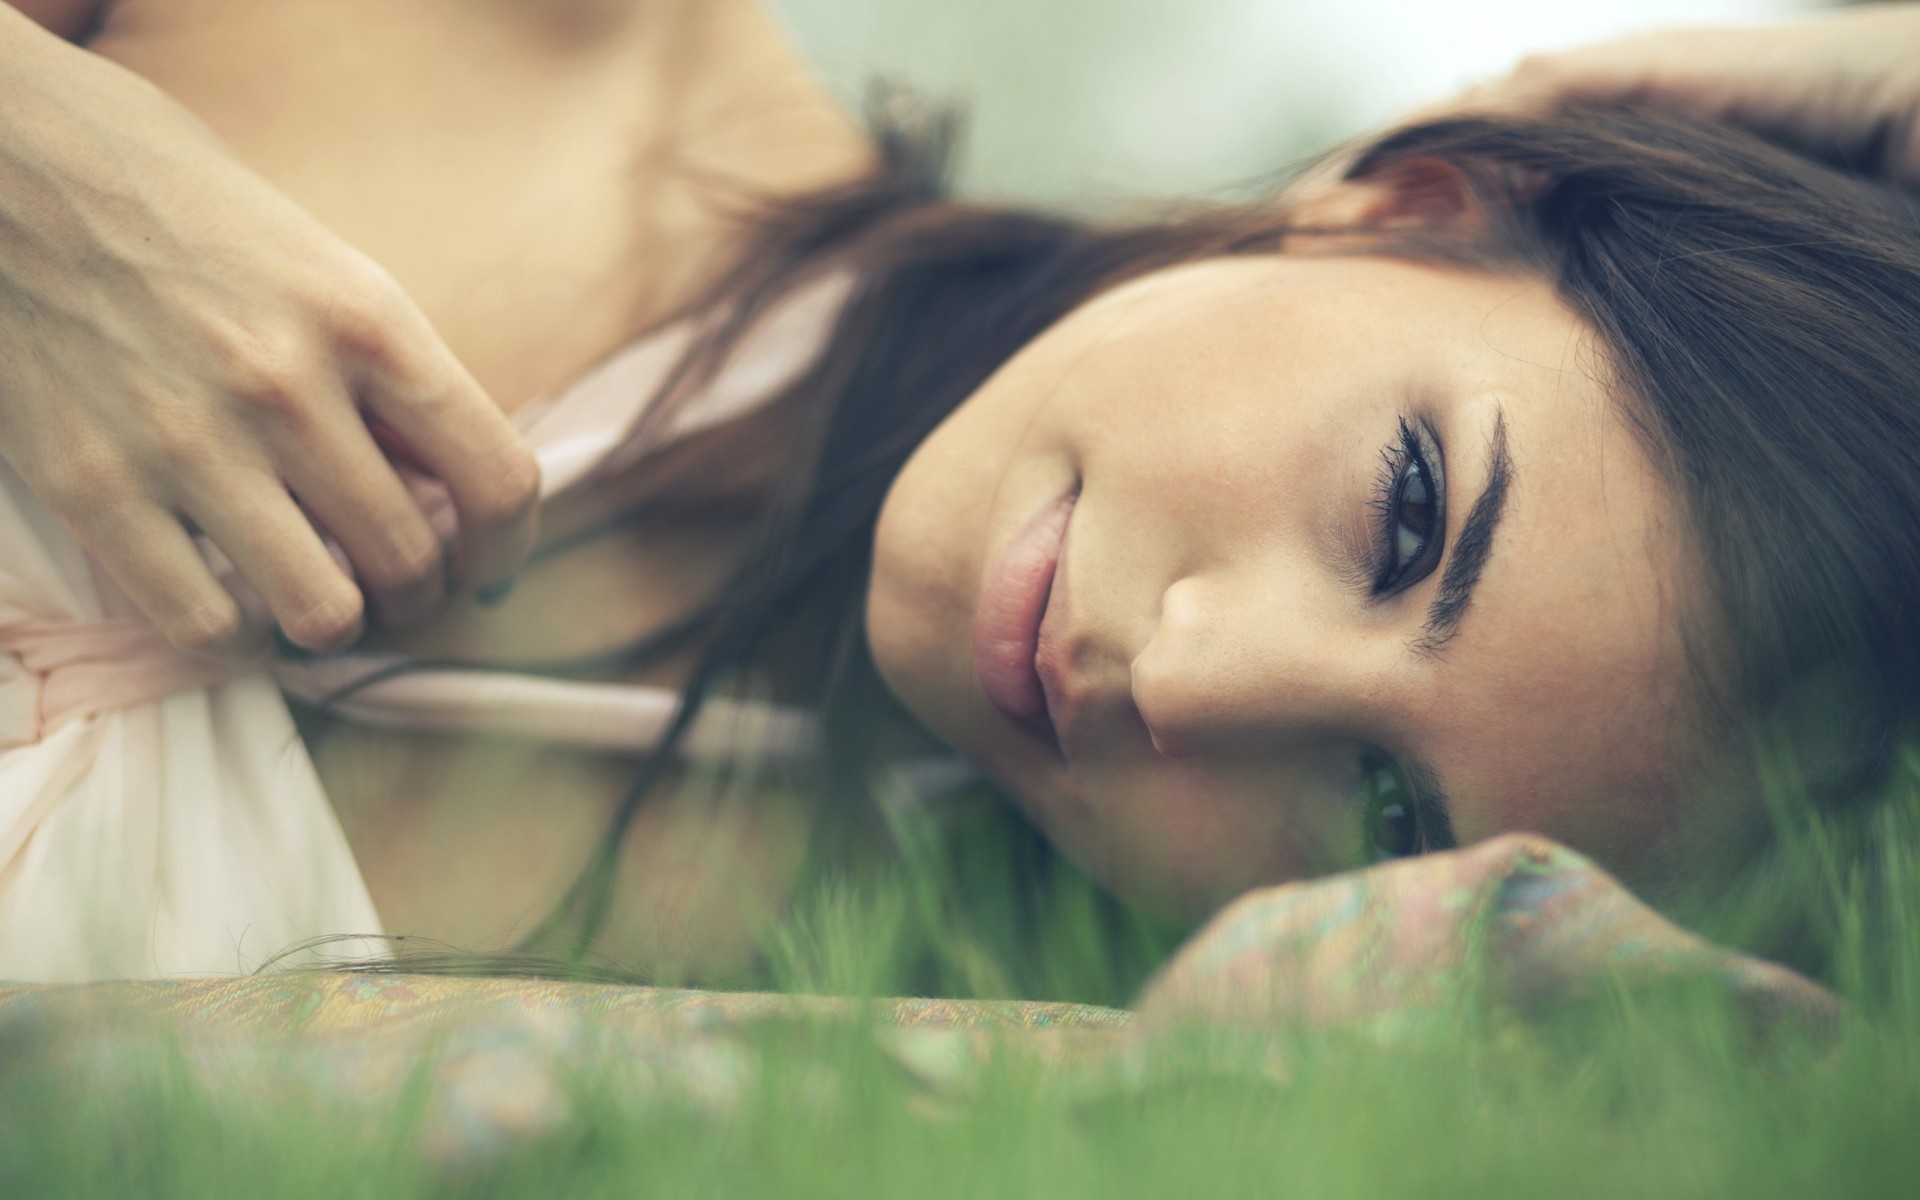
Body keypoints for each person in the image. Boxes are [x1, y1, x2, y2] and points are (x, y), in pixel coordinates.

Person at [0, 0, 1916, 984]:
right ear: (1419, 206)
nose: (1194, 685)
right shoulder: (551, 42)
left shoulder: (912, 1027)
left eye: (1390, 819)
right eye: (1405, 520)